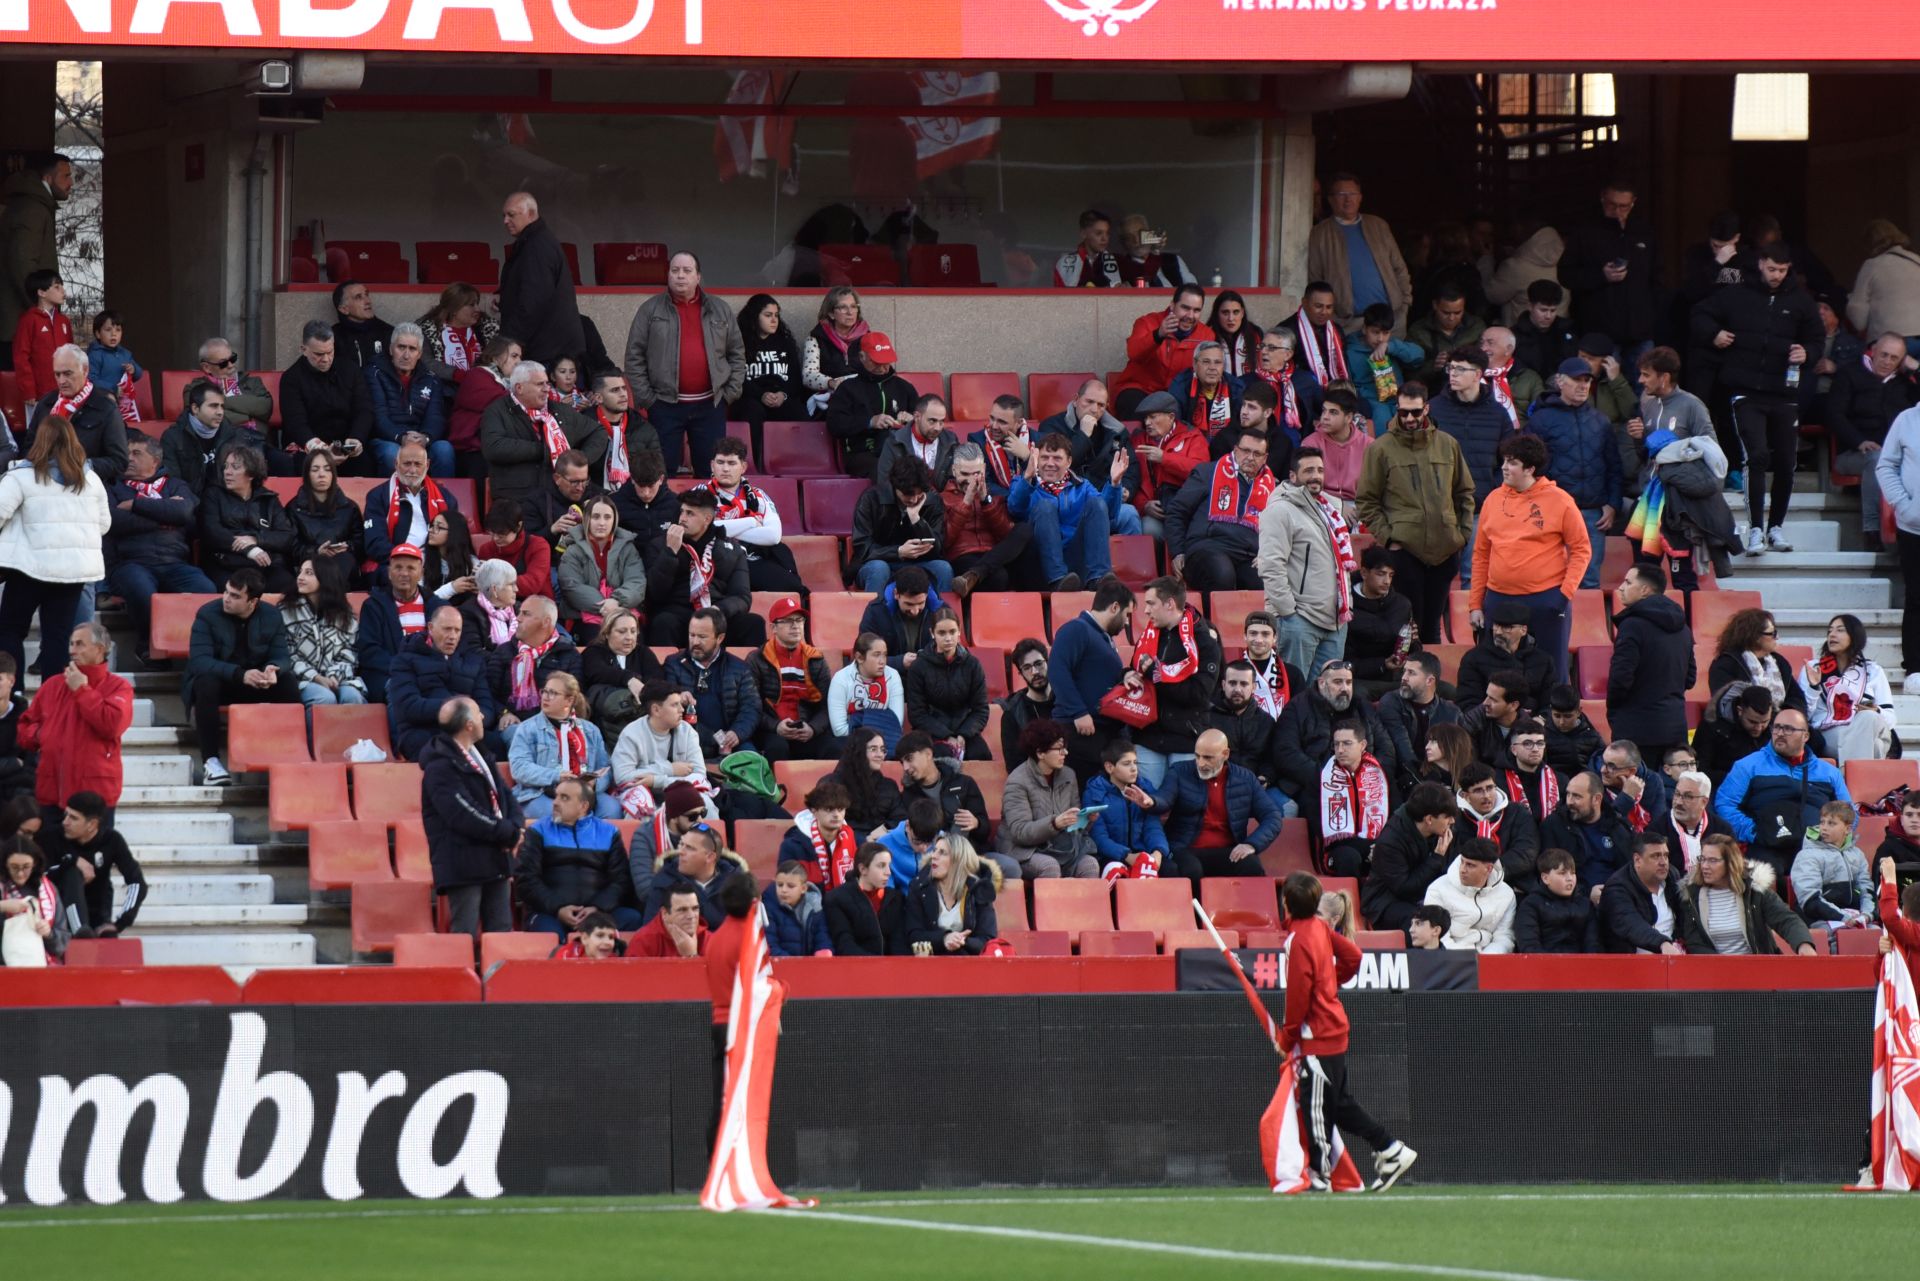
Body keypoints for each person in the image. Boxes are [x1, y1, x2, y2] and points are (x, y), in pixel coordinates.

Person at [1276, 870, 1420, 1191]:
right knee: (1338, 1102)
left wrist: (1288, 1035)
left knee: (1317, 1105)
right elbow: (1353, 955)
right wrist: (1331, 983)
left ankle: (1319, 1174)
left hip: (1317, 1032)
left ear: (1285, 903)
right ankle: (1390, 1148)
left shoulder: (1299, 938)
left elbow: (1299, 993)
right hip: (1332, 1026)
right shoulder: (1319, 928)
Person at [1690, 242, 1822, 552]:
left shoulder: (1801, 302)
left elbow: (1816, 338)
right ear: (1761, 264)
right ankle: (1755, 530)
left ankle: (1776, 527)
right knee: (1757, 457)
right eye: (1772, 268)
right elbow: (1699, 314)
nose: (1777, 275)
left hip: (1784, 391)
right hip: (1744, 389)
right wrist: (1715, 334)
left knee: (1787, 461)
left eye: (1783, 270)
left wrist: (1809, 353)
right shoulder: (1737, 294)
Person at [1355, 383, 1476, 645]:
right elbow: (1366, 500)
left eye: (1415, 412)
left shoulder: (1448, 444)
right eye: (1403, 412)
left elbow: (1464, 493)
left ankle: (1431, 681)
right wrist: (1389, 539)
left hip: (1445, 548)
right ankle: (1407, 680)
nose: (1409, 418)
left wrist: (1462, 535)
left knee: (1433, 625)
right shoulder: (1381, 448)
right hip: (1405, 551)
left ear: (1427, 409)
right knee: (1408, 624)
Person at [1468, 434, 1591, 682]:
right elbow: (1481, 555)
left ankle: (1552, 720)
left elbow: (1581, 550)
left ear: (1530, 469)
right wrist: (1475, 604)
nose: (1504, 467)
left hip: (1546, 599)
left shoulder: (1561, 501)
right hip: (1498, 598)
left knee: (1553, 672)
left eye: (1512, 462)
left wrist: (1564, 595)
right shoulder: (1493, 499)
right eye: (1504, 461)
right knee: (1497, 674)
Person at [0, 412, 109, 682]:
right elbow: (104, 524)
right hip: (72, 574)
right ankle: (52, 702)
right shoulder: (91, 480)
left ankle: (13, 697)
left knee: (10, 632)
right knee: (58, 637)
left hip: (27, 569)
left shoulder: (21, 476)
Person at [623, 251, 744, 476]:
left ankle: (706, 513)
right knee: (661, 472)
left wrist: (730, 393)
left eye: (687, 271)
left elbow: (737, 353)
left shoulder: (720, 309)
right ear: (667, 275)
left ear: (698, 277)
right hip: (664, 405)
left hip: (710, 405)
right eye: (675, 270)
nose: (680, 276)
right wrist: (648, 400)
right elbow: (634, 356)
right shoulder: (650, 310)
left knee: (710, 471)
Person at [15, 621, 130, 848]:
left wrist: (82, 690)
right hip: (51, 793)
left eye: (79, 644)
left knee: (93, 872)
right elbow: (24, 727)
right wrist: (43, 734)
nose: (72, 650)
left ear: (100, 649)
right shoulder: (52, 685)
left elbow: (111, 724)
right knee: (51, 866)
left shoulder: (119, 687)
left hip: (95, 798)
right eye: (71, 644)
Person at [184, 570, 301, 786]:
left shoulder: (271, 615)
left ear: (252, 601)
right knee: (205, 682)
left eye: (235, 596)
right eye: (226, 592)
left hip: (255, 682)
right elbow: (199, 661)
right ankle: (211, 761)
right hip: (223, 683)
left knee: (288, 683)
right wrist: (240, 674)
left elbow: (282, 655)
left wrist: (272, 670)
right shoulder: (207, 614)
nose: (226, 599)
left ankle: (290, 753)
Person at [421, 696, 523, 937]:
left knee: (501, 933)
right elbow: (463, 814)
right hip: (463, 863)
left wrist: (516, 824)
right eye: (478, 713)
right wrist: (507, 832)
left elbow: (506, 796)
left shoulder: (482, 755)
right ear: (468, 725)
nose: (483, 718)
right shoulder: (440, 767)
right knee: (464, 934)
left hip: (496, 857)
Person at [104, 434, 213, 659]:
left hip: (175, 563)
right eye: (127, 453)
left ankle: (198, 647)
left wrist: (136, 504)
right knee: (143, 592)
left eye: (136, 453)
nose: (129, 458)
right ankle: (149, 644)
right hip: (131, 563)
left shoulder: (175, 485)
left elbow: (184, 513)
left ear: (155, 460)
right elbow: (114, 520)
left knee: (207, 590)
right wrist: (165, 514)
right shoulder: (113, 486)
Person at [1523, 360, 1620, 589]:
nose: (1583, 385)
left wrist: (1613, 504)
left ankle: (1587, 626)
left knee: (1588, 581)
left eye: (1587, 381)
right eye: (1577, 380)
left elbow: (1614, 466)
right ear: (1560, 381)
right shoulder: (1541, 421)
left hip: (1592, 513)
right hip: (1552, 513)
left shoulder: (1601, 421)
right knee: (1550, 580)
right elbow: (1529, 468)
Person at [511, 772, 640, 940]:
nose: (555, 803)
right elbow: (526, 879)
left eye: (564, 798)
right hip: (549, 912)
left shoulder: (608, 833)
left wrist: (597, 908)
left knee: (632, 920)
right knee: (550, 934)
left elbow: (621, 880)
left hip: (599, 912)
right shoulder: (537, 830)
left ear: (583, 806)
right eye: (556, 796)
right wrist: (558, 909)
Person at [1153, 728, 1283, 889]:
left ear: (1225, 754)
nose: (1201, 763)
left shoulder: (1245, 778)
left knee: (1251, 865)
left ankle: (1243, 913)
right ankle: (1194, 914)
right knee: (1189, 869)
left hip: (1228, 850)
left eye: (1208, 758)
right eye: (1197, 756)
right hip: (1185, 848)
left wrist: (1251, 845)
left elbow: (1272, 816)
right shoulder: (1180, 771)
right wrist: (1151, 802)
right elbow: (1164, 799)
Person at [1125, 576, 1224, 787]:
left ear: (1170, 604)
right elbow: (1136, 669)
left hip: (1186, 740)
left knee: (1185, 809)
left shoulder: (1204, 638)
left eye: (1151, 603)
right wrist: (1126, 675)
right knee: (1147, 803)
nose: (1145, 611)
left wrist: (1157, 677)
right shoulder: (1149, 636)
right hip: (1148, 738)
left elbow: (1199, 693)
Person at [1007, 431, 1131, 591]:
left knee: (1097, 503)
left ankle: (1099, 579)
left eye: (1057, 458)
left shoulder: (1083, 486)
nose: (1050, 463)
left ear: (1069, 462)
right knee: (1045, 506)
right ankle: (1058, 579)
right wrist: (1027, 478)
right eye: (1044, 457)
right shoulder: (1023, 482)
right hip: (1037, 564)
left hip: (1074, 566)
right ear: (1036, 459)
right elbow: (1014, 509)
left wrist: (1114, 484)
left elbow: (1107, 515)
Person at [1827, 333, 1918, 549]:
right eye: (1884, 355)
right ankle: (1873, 531)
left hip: (1897, 457)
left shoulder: (1905, 384)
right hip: (1853, 454)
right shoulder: (1849, 374)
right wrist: (1859, 442)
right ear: (1873, 350)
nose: (1887, 361)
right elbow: (1833, 415)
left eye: (1894, 358)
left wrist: (1916, 370)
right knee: (1878, 460)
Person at [1273, 661, 1396, 819]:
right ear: (1322, 683)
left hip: (1364, 783)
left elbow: (1387, 749)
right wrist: (1326, 778)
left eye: (1349, 682)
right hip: (1315, 785)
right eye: (1338, 682)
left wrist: (1368, 776)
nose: (1345, 688)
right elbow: (1285, 753)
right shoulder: (1297, 707)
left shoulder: (1363, 707)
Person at [643, 486, 756, 649]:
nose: (682, 518)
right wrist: (670, 553)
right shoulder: (660, 544)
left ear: (707, 519)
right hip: (677, 613)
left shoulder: (731, 550)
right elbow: (654, 594)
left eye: (690, 514)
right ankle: (662, 674)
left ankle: (749, 674)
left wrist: (720, 609)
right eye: (681, 512)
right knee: (662, 623)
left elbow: (742, 597)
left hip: (716, 613)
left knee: (752, 623)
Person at [1606, 563, 1694, 766]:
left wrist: (1615, 714)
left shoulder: (1632, 625)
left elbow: (1620, 679)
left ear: (1645, 590)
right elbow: (1690, 678)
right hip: (1674, 727)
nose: (1621, 587)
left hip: (1636, 730)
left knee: (1637, 793)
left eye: (1628, 582)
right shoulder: (1683, 628)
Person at [479, 361, 600, 510]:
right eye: (539, 384)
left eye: (547, 384)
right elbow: (494, 447)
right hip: (516, 500)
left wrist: (579, 461)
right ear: (519, 388)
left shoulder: (558, 410)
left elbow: (597, 432)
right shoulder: (496, 411)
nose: (546, 389)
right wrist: (545, 450)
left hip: (559, 498)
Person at [1305, 173, 1413, 334]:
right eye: (1342, 195)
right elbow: (1315, 278)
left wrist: (1405, 303)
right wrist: (1332, 317)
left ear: (1360, 197)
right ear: (1330, 199)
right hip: (1348, 323)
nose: (1348, 200)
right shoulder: (1320, 233)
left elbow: (1399, 269)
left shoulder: (1378, 225)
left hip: (1390, 320)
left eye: (1353, 194)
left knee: (1391, 360)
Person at [1168, 426, 1272, 594]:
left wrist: (1268, 554)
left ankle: (1255, 622)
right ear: (1235, 450)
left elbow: (1280, 531)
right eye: (1245, 451)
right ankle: (1210, 621)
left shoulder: (1272, 487)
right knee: (1222, 573)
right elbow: (1177, 511)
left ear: (1265, 458)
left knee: (1266, 580)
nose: (1250, 458)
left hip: (1249, 555)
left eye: (1257, 454)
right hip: (1207, 548)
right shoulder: (1208, 472)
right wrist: (1177, 551)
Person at [1048, 577, 1133, 779]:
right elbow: (1057, 670)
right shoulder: (1077, 629)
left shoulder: (1104, 639)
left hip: (1099, 733)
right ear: (1114, 607)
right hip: (1079, 733)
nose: (1128, 621)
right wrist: (1078, 712)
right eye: (1127, 614)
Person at [1561, 179, 1658, 356]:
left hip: (1640, 328)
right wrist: (1601, 276)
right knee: (1604, 382)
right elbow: (1566, 274)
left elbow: (1657, 277)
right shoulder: (1585, 231)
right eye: (1612, 205)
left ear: (1633, 202)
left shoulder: (1644, 230)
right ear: (1602, 199)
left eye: (1624, 206)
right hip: (1600, 328)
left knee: (1645, 381)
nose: (1617, 212)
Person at [387, 606, 496, 762]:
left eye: (457, 631)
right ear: (430, 628)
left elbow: (487, 707)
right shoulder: (404, 661)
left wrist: (470, 721)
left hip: (467, 731)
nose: (452, 636)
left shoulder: (474, 662)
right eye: (447, 629)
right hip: (423, 733)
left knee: (502, 745)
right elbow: (408, 706)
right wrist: (457, 711)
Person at [1682, 833, 1817, 956]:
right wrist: (1723, 968)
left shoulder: (1755, 891)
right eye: (1702, 859)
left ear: (1730, 863)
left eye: (1712, 860)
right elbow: (1695, 943)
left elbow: (1786, 920)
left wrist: (1803, 944)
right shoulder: (1692, 896)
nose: (1704, 866)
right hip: (1715, 973)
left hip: (1758, 970)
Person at [510, 671, 620, 820]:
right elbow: (519, 768)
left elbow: (605, 768)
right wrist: (556, 776)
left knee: (611, 809)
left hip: (584, 793)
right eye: (545, 691)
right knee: (557, 812)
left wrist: (594, 784)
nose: (546, 697)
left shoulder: (590, 730)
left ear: (569, 701)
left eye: (553, 693)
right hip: (540, 793)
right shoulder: (527, 728)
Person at [702, 436, 802, 593]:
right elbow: (704, 531)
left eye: (732, 463)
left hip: (752, 558)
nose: (725, 469)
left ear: (743, 467)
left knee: (792, 586)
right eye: (720, 462)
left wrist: (724, 529)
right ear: (712, 465)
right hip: (714, 559)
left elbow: (773, 536)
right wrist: (750, 522)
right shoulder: (699, 495)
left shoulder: (758, 496)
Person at [1002, 719, 1098, 880]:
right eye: (1059, 749)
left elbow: (1074, 826)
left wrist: (1085, 820)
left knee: (1090, 865)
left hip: (1061, 847)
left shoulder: (1068, 775)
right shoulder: (1017, 781)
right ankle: (1048, 906)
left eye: (1065, 748)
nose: (1065, 753)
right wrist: (1055, 823)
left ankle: (1082, 906)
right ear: (1040, 753)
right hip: (1024, 849)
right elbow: (1020, 832)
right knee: (1049, 866)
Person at [199, 440, 297, 596]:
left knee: (290, 586)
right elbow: (212, 531)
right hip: (226, 564)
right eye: (226, 466)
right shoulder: (213, 495)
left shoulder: (268, 499)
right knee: (234, 592)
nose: (227, 472)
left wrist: (256, 539)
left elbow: (286, 536)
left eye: (235, 467)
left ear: (251, 474)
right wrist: (249, 549)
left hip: (264, 567)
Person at [498, 191, 584, 371]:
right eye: (504, 215)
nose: (505, 221)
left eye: (511, 215)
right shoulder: (535, 241)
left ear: (530, 214)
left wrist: (507, 342)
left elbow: (533, 301)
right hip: (550, 348)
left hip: (547, 353)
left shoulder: (536, 246)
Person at [664, 607, 760, 764]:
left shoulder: (739, 668)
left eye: (702, 637)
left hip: (731, 741)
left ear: (720, 638)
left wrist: (737, 733)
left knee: (754, 764)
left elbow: (752, 707)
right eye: (692, 635)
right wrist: (678, 696)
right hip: (688, 739)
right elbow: (665, 700)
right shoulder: (673, 663)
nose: (695, 642)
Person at [0, 152, 72, 358]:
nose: (71, 182)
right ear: (47, 179)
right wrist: (42, 310)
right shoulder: (33, 210)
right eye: (65, 176)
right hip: (19, 327)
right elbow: (22, 262)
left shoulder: (29, 206)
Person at [279, 320, 373, 477]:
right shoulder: (291, 378)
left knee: (365, 463)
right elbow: (295, 422)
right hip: (307, 445)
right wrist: (321, 450)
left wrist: (356, 438)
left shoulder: (350, 370)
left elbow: (364, 409)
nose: (326, 359)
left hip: (346, 445)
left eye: (330, 352)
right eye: (319, 354)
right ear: (303, 349)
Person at [1799, 613, 1898, 763]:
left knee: (1868, 718)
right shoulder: (1814, 668)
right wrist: (1814, 687)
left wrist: (1875, 711)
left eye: (1840, 630)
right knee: (1876, 747)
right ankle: (1859, 780)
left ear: (1854, 635)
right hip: (1829, 733)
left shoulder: (1873, 670)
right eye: (1830, 631)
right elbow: (1803, 715)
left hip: (1870, 727)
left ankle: (1850, 778)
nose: (1832, 634)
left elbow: (1890, 718)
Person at [824, 335, 922, 482]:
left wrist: (913, 420)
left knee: (916, 467)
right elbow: (835, 424)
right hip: (860, 453)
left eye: (886, 362)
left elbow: (925, 421)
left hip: (900, 450)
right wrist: (869, 422)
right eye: (877, 362)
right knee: (886, 468)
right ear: (862, 357)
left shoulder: (904, 388)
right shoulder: (848, 388)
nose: (882, 368)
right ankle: (888, 505)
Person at [49, 790, 145, 938]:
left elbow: (137, 882)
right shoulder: (54, 836)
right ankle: (79, 929)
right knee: (72, 872)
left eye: (73, 818)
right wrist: (71, 861)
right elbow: (40, 874)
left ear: (92, 824)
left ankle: (85, 932)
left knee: (108, 938)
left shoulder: (111, 840)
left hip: (98, 917)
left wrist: (120, 923)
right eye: (66, 814)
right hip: (58, 919)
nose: (65, 822)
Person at [746, 597, 832, 762]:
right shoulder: (757, 659)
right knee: (777, 749)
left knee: (834, 748)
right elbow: (751, 706)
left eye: (799, 620)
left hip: (806, 729)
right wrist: (775, 726)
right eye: (788, 621)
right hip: (771, 730)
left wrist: (813, 728)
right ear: (773, 628)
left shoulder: (816, 659)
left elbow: (828, 706)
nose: (796, 626)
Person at [942, 443, 1032, 598]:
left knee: (1024, 529)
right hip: (962, 556)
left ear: (983, 469)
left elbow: (1005, 534)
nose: (971, 480)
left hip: (993, 554)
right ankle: (973, 576)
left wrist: (986, 503)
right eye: (965, 473)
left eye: (976, 473)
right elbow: (945, 540)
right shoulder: (942, 499)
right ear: (954, 470)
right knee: (999, 577)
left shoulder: (993, 495)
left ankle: (974, 575)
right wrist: (966, 502)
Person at [1111, 285, 1214, 420]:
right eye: (1185, 308)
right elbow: (1134, 353)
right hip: (1139, 389)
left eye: (1196, 310)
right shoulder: (1147, 322)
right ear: (1172, 305)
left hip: (1177, 395)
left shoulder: (1206, 334)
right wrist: (1158, 335)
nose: (1190, 316)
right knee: (1141, 414)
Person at [851, 457, 952, 593]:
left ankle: (944, 614)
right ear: (895, 486)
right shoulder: (871, 499)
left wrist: (916, 520)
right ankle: (875, 613)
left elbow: (937, 548)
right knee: (878, 569)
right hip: (877, 562)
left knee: (943, 569)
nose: (914, 499)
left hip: (917, 563)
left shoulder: (933, 501)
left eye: (919, 494)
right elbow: (862, 548)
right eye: (908, 494)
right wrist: (898, 552)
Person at [365, 322, 452, 477]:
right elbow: (378, 417)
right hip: (387, 439)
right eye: (401, 347)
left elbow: (436, 417)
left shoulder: (431, 379)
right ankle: (389, 500)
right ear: (391, 349)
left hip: (420, 440)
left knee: (444, 450)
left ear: (419, 354)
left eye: (412, 349)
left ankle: (441, 500)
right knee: (391, 453)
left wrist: (426, 437)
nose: (406, 355)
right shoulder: (374, 373)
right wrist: (401, 437)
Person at [903, 609, 990, 760]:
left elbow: (981, 709)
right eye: (942, 633)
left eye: (952, 632)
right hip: (932, 731)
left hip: (965, 730)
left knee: (981, 754)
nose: (948, 638)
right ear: (932, 633)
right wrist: (947, 736)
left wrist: (963, 734)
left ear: (959, 631)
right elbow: (917, 714)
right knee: (943, 757)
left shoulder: (973, 665)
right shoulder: (919, 667)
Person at [1600, 831, 1707, 954]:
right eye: (1656, 856)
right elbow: (1631, 923)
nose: (1663, 862)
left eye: (1665, 855)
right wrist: (1662, 943)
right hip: (1630, 965)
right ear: (1637, 860)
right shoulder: (1617, 888)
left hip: (1673, 960)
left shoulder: (1672, 877)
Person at [1081, 739, 1171, 883]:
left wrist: (1158, 852)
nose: (1134, 768)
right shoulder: (1094, 793)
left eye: (1135, 762)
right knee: (1116, 870)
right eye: (1126, 764)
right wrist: (1127, 856)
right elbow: (1098, 837)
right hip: (1110, 856)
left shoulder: (1144, 790)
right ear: (1110, 767)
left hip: (1142, 854)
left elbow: (1153, 828)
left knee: (1170, 869)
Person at [487, 594, 583, 730]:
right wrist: (503, 713)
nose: (518, 619)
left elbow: (575, 698)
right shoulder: (504, 651)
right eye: (519, 613)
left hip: (553, 725)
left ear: (546, 622)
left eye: (526, 614)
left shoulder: (568, 655)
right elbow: (488, 693)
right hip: (513, 724)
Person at [1540, 770, 1635, 903]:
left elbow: (1632, 868)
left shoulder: (1617, 826)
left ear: (1596, 799)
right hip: (1574, 903)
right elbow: (1548, 873)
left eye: (1577, 797)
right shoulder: (1555, 826)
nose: (1569, 802)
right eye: (1568, 794)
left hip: (1619, 899)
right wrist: (1585, 894)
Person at [282, 557, 367, 707]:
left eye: (309, 573)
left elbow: (349, 653)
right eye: (300, 572)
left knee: (352, 697)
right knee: (324, 698)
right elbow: (287, 654)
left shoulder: (344, 615)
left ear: (325, 578)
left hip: (337, 678)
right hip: (302, 679)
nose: (300, 577)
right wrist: (315, 677)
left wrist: (333, 676)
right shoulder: (286, 611)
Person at [555, 493, 647, 632]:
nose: (602, 523)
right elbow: (571, 586)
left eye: (607, 517)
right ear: (587, 519)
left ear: (614, 520)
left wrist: (616, 601)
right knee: (594, 636)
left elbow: (637, 581)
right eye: (596, 517)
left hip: (623, 614)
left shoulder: (628, 548)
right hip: (583, 617)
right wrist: (605, 607)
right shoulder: (572, 550)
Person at [355, 541, 432, 703]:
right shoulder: (373, 606)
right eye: (398, 568)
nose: (404, 573)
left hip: (429, 673)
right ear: (389, 572)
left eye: (411, 568)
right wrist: (404, 668)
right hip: (386, 675)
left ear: (421, 573)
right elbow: (369, 651)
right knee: (401, 689)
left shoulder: (435, 605)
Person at [1315, 720, 1392, 879]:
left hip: (1378, 843)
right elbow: (1317, 821)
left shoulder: (1381, 774)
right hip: (1340, 847)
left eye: (1347, 743)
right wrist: (1365, 845)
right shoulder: (1322, 777)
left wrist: (1379, 844)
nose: (1340, 750)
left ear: (1363, 745)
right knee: (1348, 857)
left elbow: (1395, 816)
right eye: (1336, 744)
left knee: (1390, 855)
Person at [901, 832, 999, 957]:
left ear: (958, 861)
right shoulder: (919, 887)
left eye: (942, 853)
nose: (934, 856)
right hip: (929, 962)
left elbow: (987, 939)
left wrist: (961, 941)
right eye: (935, 850)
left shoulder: (978, 889)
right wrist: (944, 939)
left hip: (968, 963)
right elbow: (913, 934)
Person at [732, 294, 805, 457]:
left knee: (799, 411)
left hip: (780, 396)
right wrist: (761, 395)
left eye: (776, 315)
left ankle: (792, 461)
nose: (774, 320)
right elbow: (736, 378)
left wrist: (783, 395)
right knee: (752, 411)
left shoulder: (785, 343)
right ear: (754, 317)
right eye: (768, 315)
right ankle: (753, 462)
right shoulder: (740, 343)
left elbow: (795, 379)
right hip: (751, 398)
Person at [1208, 660, 1286, 811]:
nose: (1237, 689)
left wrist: (1266, 777)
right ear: (1223, 685)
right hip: (1217, 785)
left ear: (1253, 687)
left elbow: (1271, 758)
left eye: (1244, 684)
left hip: (1256, 787)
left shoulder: (1266, 721)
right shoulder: (1208, 716)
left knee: (1287, 807)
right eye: (1232, 683)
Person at [1376, 653, 1461, 792]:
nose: (1403, 678)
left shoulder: (1452, 712)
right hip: (1402, 780)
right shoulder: (1391, 702)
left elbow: (1459, 754)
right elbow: (1402, 748)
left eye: (1411, 673)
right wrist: (1428, 785)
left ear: (1429, 681)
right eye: (1404, 672)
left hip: (1443, 780)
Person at [1707, 607, 1809, 720]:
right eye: (1772, 633)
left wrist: (1782, 718)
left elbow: (1797, 700)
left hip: (1780, 727)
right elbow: (1727, 706)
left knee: (1813, 736)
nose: (1778, 637)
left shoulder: (1779, 662)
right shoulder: (1726, 664)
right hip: (1742, 730)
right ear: (1755, 637)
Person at [1882, 400, 1920, 695]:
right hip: (1914, 526)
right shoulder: (1907, 419)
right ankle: (1916, 667)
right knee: (1916, 596)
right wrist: (1904, 506)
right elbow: (1886, 465)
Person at [1454, 602, 1554, 714]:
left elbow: (1551, 703)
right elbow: (1467, 704)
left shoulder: (1543, 660)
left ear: (1523, 630)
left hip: (1533, 726)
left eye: (1507, 627)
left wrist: (1540, 720)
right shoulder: (1473, 658)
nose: (1498, 632)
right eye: (1496, 625)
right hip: (1489, 725)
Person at [1790, 800, 1875, 931]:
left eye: (1831, 823)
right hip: (1817, 920)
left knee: (1875, 933)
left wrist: (1867, 915)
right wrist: (1844, 917)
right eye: (1822, 822)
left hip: (1851, 917)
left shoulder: (1857, 854)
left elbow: (1867, 890)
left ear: (1847, 829)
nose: (1824, 827)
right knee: (1839, 937)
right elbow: (1810, 900)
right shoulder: (1806, 856)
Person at [1421, 837, 1515, 953]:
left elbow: (1504, 936)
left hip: (1490, 959)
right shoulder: (1438, 889)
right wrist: (1465, 961)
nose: (1462, 870)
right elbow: (1436, 937)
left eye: (1470, 865)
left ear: (1489, 869)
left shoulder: (1506, 894)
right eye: (1462, 862)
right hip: (1451, 960)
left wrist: (1487, 960)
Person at [286, 446, 364, 584]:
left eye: (327, 469)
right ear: (306, 474)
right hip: (310, 566)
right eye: (315, 470)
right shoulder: (294, 508)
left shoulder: (349, 507)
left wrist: (347, 547)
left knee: (345, 559)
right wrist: (316, 551)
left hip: (343, 567)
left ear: (333, 474)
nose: (321, 474)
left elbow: (361, 543)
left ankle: (327, 594)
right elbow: (290, 546)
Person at [1343, 304, 1422, 434]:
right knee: (1382, 418)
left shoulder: (1390, 346)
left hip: (1399, 399)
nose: (1380, 338)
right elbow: (1350, 386)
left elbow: (1419, 356)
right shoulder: (1350, 351)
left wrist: (1390, 347)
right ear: (1364, 329)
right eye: (1375, 332)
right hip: (1373, 404)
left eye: (1386, 333)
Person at [1041, 379, 1133, 491]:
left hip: (1104, 493)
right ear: (1076, 400)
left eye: (1101, 405)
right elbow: (1056, 465)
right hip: (1066, 494)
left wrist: (1127, 489)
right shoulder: (1052, 425)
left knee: (1129, 510)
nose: (1094, 410)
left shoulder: (1116, 431)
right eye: (1089, 402)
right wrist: (1083, 435)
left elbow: (1131, 465)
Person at [449, 336, 519, 478]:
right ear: (495, 357)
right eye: (514, 356)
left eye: (520, 357)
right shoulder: (477, 375)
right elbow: (499, 403)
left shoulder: (509, 383)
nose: (519, 362)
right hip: (472, 448)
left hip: (494, 446)